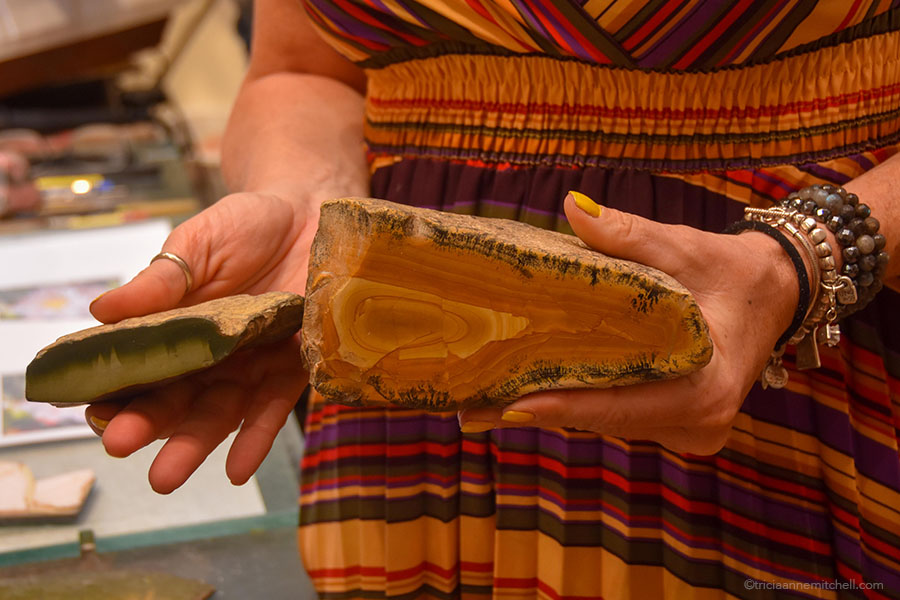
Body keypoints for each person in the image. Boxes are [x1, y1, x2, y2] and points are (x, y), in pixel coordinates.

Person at [86, 0, 900, 597]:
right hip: (409, 377)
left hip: (795, 354)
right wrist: (309, 204)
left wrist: (804, 256)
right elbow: (304, 66)